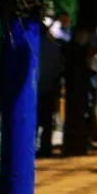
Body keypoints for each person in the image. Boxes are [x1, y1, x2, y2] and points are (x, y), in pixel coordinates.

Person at [37, 19, 65, 157]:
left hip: (33, 89)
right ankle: (45, 148)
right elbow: (59, 69)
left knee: (33, 123)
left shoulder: (30, 47)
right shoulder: (55, 47)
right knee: (47, 122)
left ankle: (29, 148)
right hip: (49, 89)